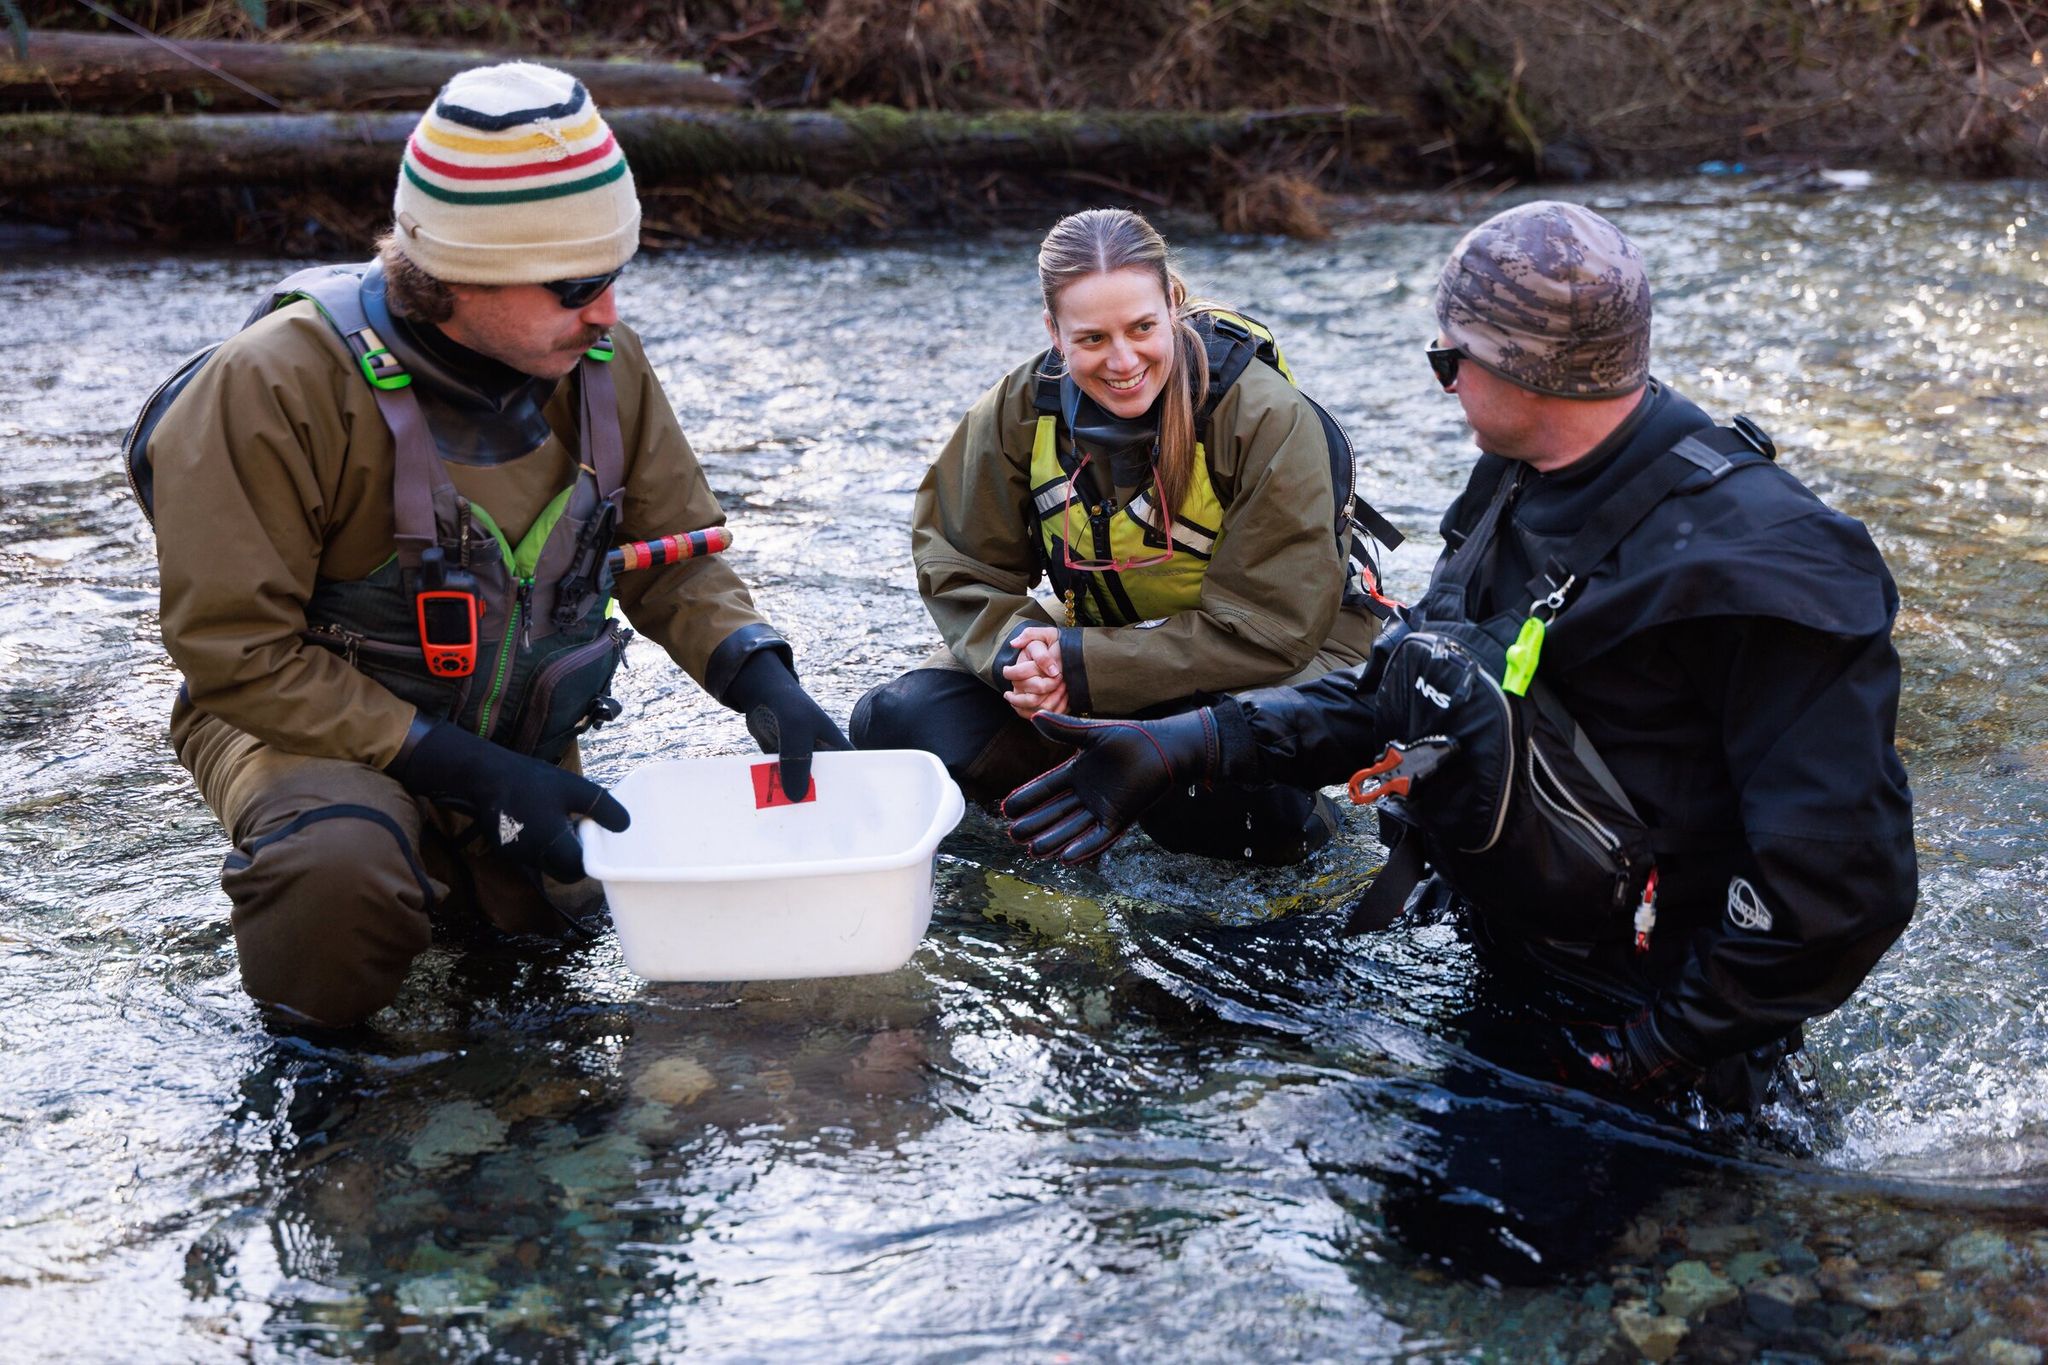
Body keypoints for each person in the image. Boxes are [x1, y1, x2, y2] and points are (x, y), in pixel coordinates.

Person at [1004, 201, 1917, 1112]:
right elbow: (1410, 692)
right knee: (1157, 995)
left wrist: (1649, 1053)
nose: (1442, 387)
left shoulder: (1771, 567)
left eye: (1449, 360)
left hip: (1643, 1035)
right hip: (1480, 941)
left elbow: (1842, 891)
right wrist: (1188, 743)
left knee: (1433, 1242)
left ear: (1527, 373)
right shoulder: (1515, 479)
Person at [146, 62, 847, 1028]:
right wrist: (465, 771)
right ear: (459, 273)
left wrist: (762, 678)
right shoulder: (271, 387)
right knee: (340, 869)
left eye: (615, 277)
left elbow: (673, 555)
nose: (606, 309)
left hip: (513, 742)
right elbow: (235, 654)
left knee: (539, 949)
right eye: (575, 285)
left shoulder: (602, 364)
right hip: (298, 729)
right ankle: (314, 1083)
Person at [849, 208, 1393, 865]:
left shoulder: (1265, 416)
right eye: (1092, 339)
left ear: (1172, 303)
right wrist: (1025, 659)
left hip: (1287, 652)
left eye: (1142, 328)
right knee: (902, 723)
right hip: (1116, 638)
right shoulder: (1020, 410)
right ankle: (1074, 803)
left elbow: (1271, 630)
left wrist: (1081, 669)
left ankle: (1300, 819)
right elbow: (961, 562)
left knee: (1224, 806)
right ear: (1053, 332)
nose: (1123, 361)